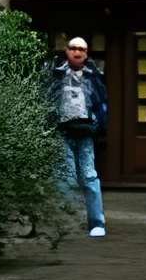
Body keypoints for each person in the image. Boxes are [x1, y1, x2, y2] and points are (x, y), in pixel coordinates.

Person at [45, 35, 109, 236]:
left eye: (81, 49)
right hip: (62, 129)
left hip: (86, 130)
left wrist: (100, 127)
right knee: (65, 177)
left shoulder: (93, 75)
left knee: (90, 176)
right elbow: (45, 97)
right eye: (73, 48)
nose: (77, 52)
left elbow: (101, 102)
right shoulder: (55, 73)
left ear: (86, 53)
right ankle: (67, 221)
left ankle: (96, 222)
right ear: (67, 51)